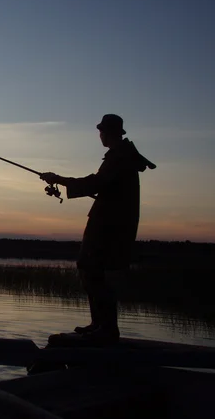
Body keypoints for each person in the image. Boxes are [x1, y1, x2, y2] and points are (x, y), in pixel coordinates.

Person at [40, 114, 155, 343]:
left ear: (109, 133)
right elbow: (106, 186)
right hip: (111, 222)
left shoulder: (119, 157)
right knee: (92, 269)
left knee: (92, 268)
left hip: (108, 224)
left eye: (101, 131)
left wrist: (60, 179)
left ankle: (107, 328)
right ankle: (99, 324)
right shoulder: (121, 156)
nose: (99, 135)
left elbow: (97, 183)